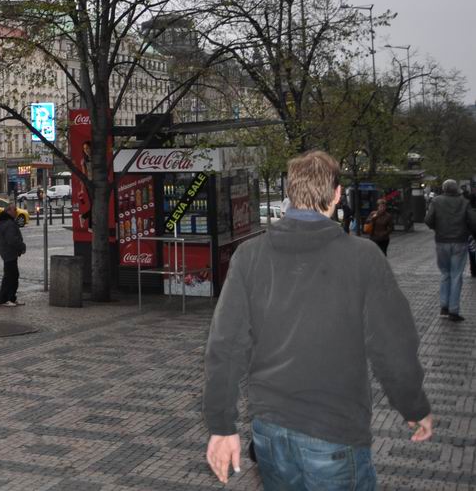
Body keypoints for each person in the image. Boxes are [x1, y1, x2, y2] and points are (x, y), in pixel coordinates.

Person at [204, 150, 432, 488]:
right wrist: (413, 406)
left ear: (290, 193)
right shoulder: (363, 257)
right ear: (337, 194)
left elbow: (225, 345)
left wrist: (221, 427)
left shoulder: (250, 256)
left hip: (270, 434)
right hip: (335, 432)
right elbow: (393, 345)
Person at [424, 178, 476, 322]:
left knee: (445, 273)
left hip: (442, 241)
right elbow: (473, 222)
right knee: (456, 275)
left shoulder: (436, 201)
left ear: (443, 188)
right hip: (459, 241)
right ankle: (454, 310)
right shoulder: (464, 202)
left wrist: (437, 228)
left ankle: (444, 306)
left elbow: (428, 220)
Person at [0, 200, 27, 307]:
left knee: (13, 275)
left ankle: (11, 298)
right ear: (8, 211)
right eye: (14, 209)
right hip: (9, 252)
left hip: (8, 252)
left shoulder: (5, 221)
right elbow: (12, 239)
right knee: (10, 276)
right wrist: (22, 246)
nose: (16, 211)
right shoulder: (8, 223)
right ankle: (4, 299)